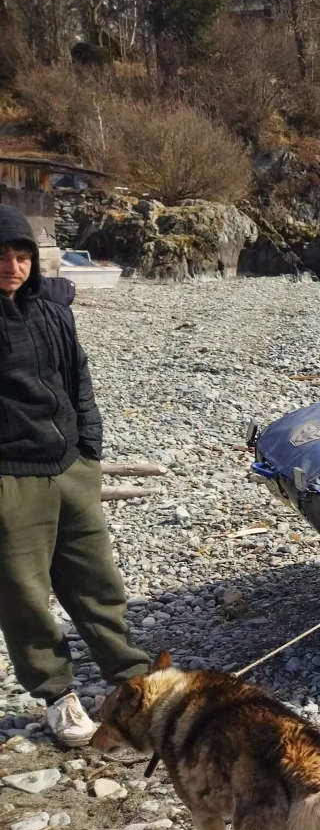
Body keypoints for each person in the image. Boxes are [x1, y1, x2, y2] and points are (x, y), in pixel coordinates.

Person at [0, 205, 150, 747]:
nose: (12, 266)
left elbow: (77, 379)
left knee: (98, 583)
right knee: (24, 596)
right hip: (10, 479)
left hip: (71, 468)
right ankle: (57, 697)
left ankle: (133, 683)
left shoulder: (53, 313)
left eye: (21, 256)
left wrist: (90, 448)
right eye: (2, 256)